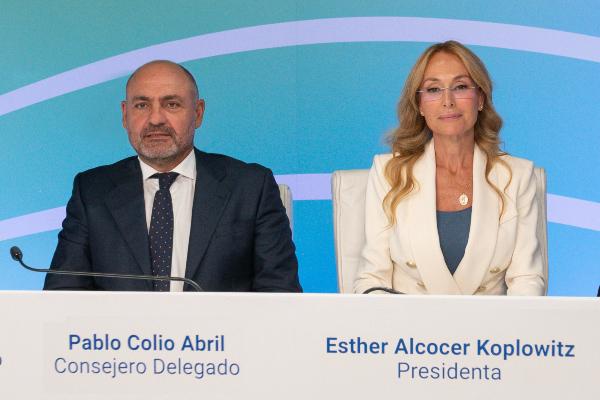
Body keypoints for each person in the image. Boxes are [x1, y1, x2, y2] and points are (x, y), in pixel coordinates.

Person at [44, 60, 301, 292]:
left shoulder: (250, 188)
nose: (156, 119)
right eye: (142, 105)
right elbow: (62, 295)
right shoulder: (92, 191)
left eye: (172, 104)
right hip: (120, 332)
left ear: (198, 113)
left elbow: (280, 294)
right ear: (125, 114)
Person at [354, 41, 545, 295]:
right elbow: (371, 280)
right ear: (420, 105)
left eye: (460, 86)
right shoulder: (389, 172)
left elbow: (527, 280)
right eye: (433, 89)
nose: (448, 101)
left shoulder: (517, 176)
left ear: (480, 98)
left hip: (491, 322)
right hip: (406, 321)